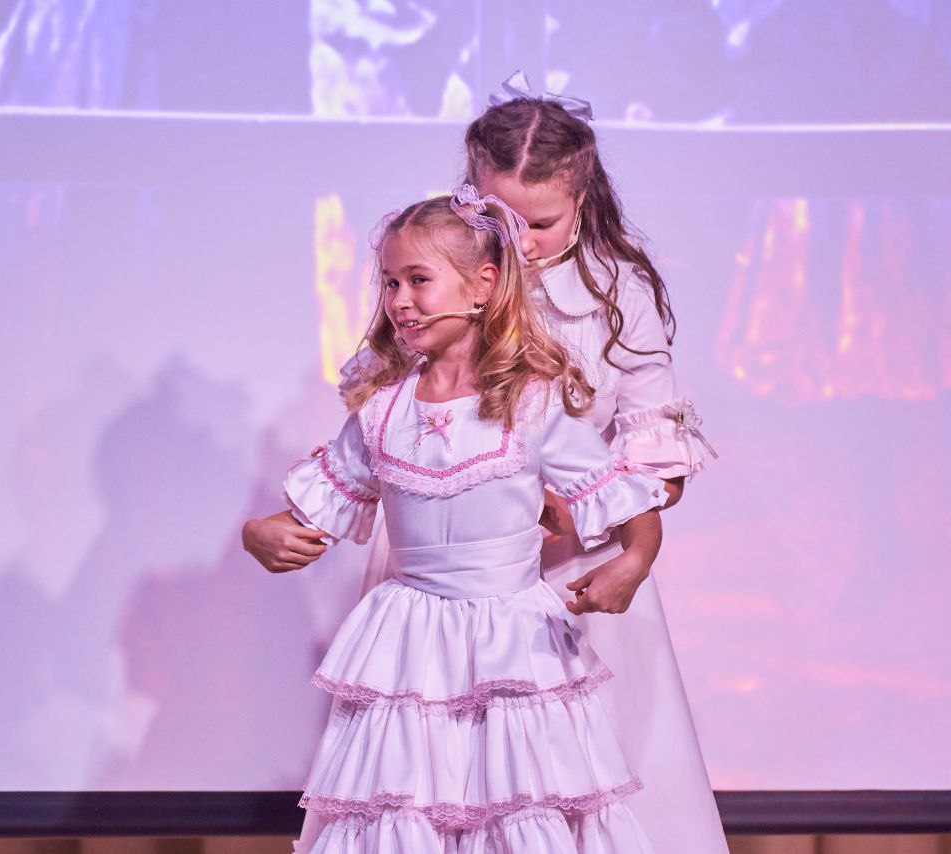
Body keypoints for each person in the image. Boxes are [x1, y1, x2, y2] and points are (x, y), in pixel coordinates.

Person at [244, 74, 727, 850]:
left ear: (581, 200)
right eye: (498, 216)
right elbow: (379, 428)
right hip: (437, 572)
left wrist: (596, 526)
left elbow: (648, 454)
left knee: (571, 782)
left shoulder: (616, 294)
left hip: (575, 576)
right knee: (422, 780)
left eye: (540, 222)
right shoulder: (434, 285)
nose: (520, 239)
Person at [275, 186, 668, 851]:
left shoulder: (531, 406)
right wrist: (263, 532)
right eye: (390, 283)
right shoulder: (383, 411)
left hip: (509, 639)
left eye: (418, 280)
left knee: (516, 799)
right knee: (404, 800)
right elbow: (314, 508)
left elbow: (629, 503)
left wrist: (633, 563)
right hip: (410, 641)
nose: (399, 300)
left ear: (483, 285)